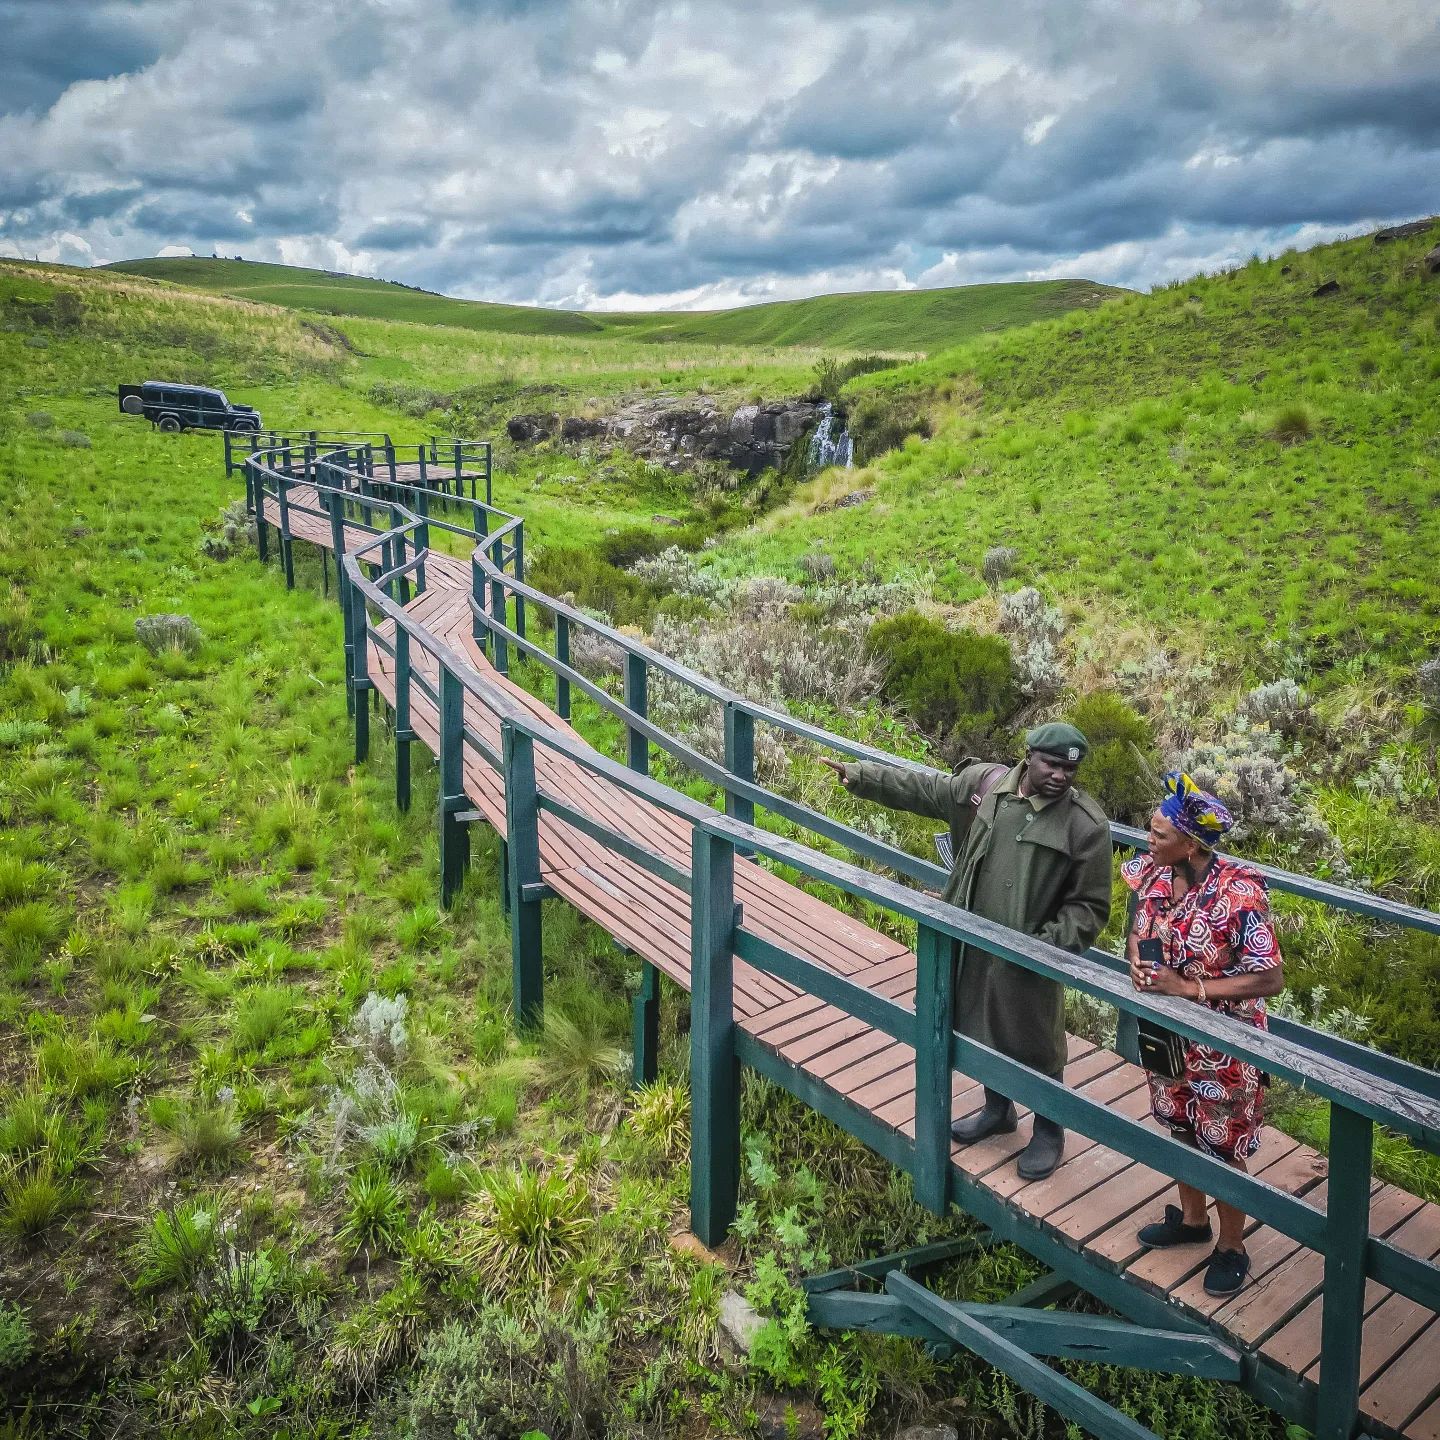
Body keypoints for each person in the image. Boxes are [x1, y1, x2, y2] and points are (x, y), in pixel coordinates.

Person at [821, 723, 1112, 1180]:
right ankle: (998, 1110)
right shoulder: (989, 785)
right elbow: (926, 789)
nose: (1060, 776)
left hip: (1027, 956)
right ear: (1029, 756)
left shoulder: (1085, 825)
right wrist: (861, 776)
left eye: (1069, 769)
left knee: (1035, 1040)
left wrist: (1045, 947)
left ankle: (1049, 1130)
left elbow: (1090, 907)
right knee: (977, 1022)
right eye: (1052, 764)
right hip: (968, 937)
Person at [1127, 772, 1285, 1297]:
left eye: (1157, 834)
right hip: (1167, 1033)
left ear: (1191, 843)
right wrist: (1136, 959)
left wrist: (1190, 987)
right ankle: (1193, 1223)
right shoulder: (1152, 873)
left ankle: (1231, 1246)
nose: (1147, 841)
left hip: (1224, 1046)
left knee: (1222, 1140)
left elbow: (1270, 977)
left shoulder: (1238, 893)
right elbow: (1139, 926)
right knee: (1177, 1123)